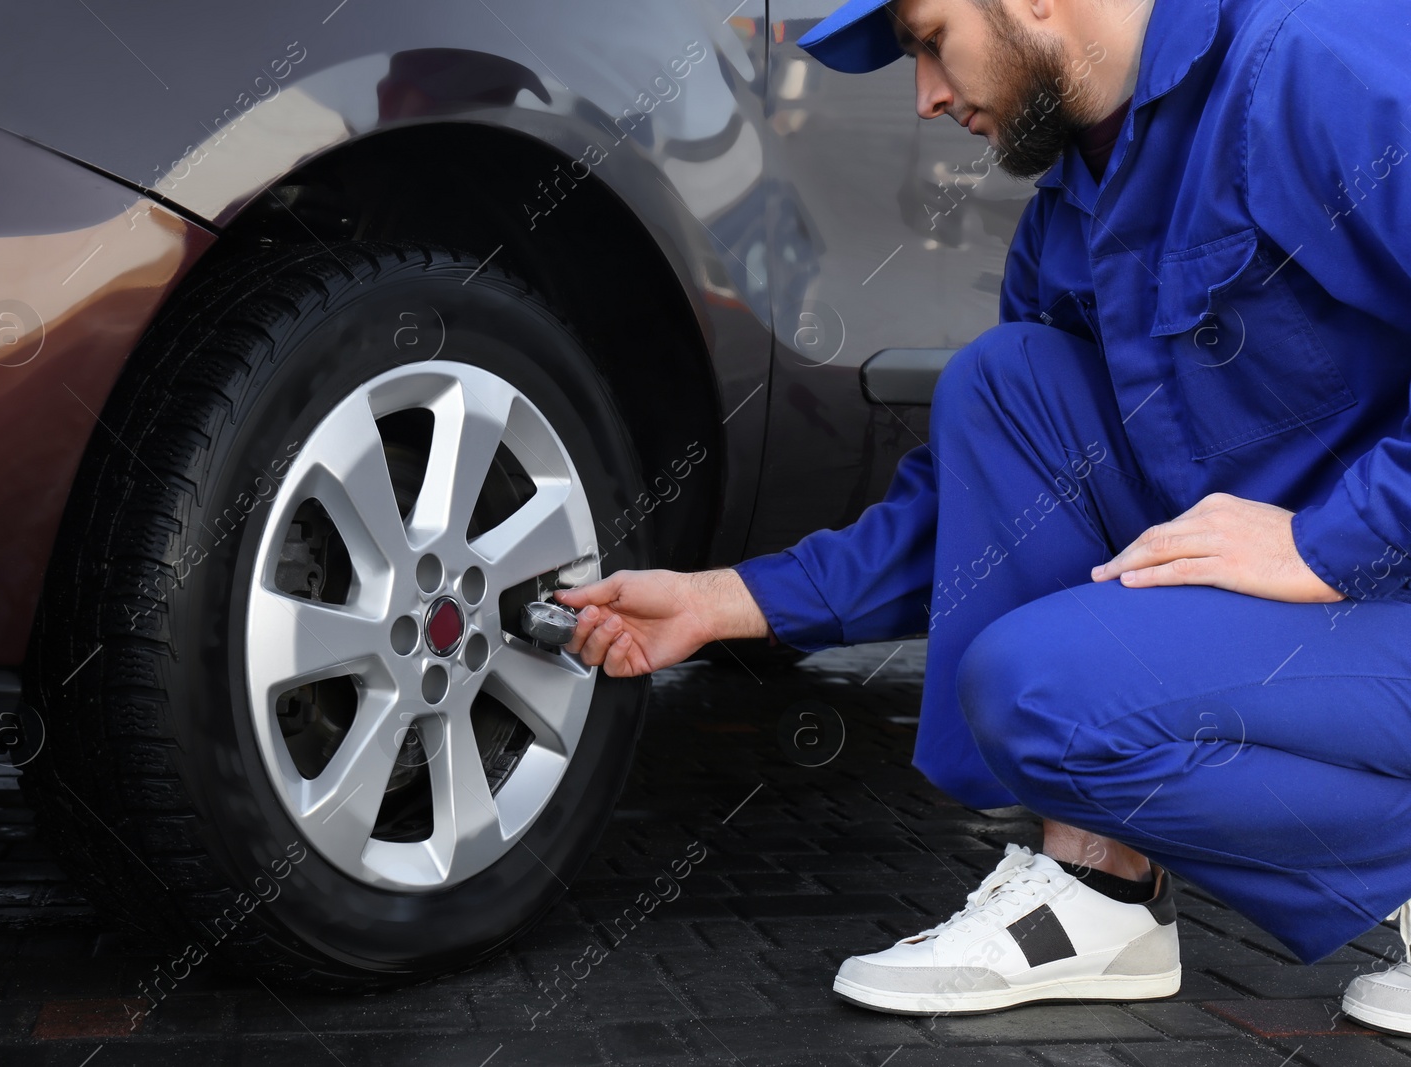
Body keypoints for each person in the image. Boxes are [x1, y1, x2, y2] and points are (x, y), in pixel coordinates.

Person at [556, 0, 1411, 1027]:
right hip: (1334, 610)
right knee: (1007, 383)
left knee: (1035, 693)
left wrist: (1328, 540)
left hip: (1375, 584)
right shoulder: (1085, 190)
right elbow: (986, 510)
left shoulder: (1312, 65)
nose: (926, 98)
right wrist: (729, 599)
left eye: (926, 39)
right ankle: (1099, 891)